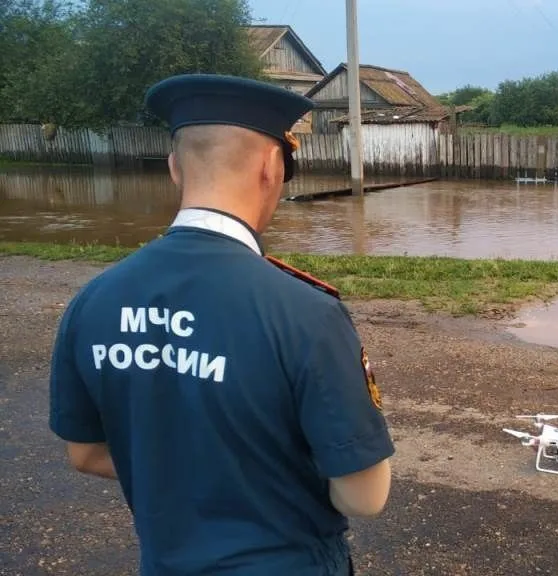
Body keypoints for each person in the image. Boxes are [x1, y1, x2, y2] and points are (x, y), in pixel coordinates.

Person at [47, 74, 394, 575]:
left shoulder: (95, 300)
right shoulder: (305, 312)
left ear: (174, 168)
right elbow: (364, 496)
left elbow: (85, 452)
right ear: (272, 167)